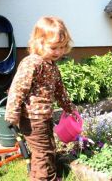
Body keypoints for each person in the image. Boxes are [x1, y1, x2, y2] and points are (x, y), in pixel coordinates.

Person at [5, 16, 76, 180]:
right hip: (32, 119)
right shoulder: (33, 63)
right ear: (39, 42)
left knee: (46, 150)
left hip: (44, 117)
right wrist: (12, 113)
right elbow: (18, 88)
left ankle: (38, 177)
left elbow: (60, 91)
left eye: (62, 47)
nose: (58, 52)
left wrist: (69, 107)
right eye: (54, 47)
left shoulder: (52, 66)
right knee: (43, 154)